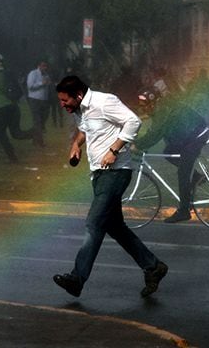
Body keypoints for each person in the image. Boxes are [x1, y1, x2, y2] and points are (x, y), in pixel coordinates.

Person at [52, 75, 167, 298]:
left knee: (94, 223)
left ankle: (77, 278)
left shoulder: (105, 102)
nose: (62, 105)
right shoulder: (80, 111)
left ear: (78, 95)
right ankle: (153, 267)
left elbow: (133, 121)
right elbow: (85, 129)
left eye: (65, 100)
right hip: (98, 174)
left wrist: (114, 150)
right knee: (115, 227)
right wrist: (76, 145)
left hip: (116, 173)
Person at [135, 88, 209, 223]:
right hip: (187, 135)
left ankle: (184, 211)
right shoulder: (162, 107)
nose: (144, 109)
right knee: (168, 152)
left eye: (146, 105)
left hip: (196, 135)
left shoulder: (163, 109)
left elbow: (155, 133)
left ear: (154, 102)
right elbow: (156, 127)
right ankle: (197, 177)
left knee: (183, 174)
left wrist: (138, 145)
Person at [26, 60, 52, 147]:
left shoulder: (46, 75)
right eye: (43, 66)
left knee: (42, 120)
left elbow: (47, 87)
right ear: (38, 66)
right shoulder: (33, 74)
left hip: (44, 100)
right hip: (34, 100)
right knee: (37, 121)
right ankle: (40, 142)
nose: (45, 67)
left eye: (46, 66)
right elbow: (30, 86)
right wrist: (42, 83)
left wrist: (48, 84)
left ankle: (34, 137)